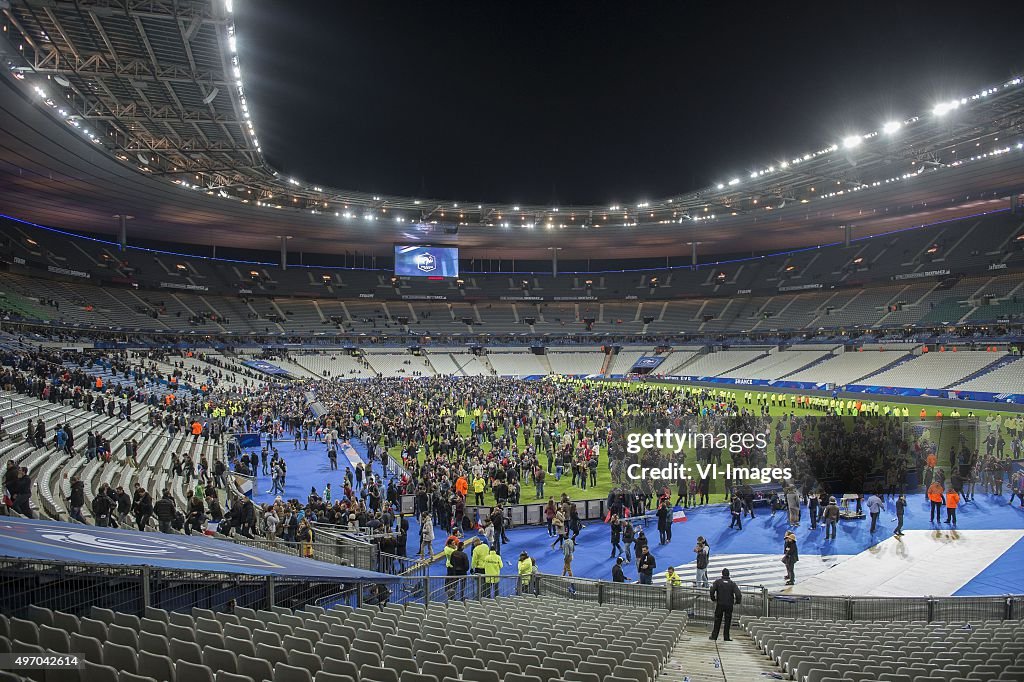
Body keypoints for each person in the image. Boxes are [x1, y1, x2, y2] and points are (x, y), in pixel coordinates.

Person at [709, 568, 742, 641]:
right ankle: (726, 637)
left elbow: (712, 590)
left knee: (717, 620)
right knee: (728, 621)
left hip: (720, 604)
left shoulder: (718, 582)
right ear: (728, 574)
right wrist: (737, 601)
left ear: (722, 574)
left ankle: (714, 636)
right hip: (729, 605)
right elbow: (738, 594)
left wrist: (713, 598)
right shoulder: (732, 584)